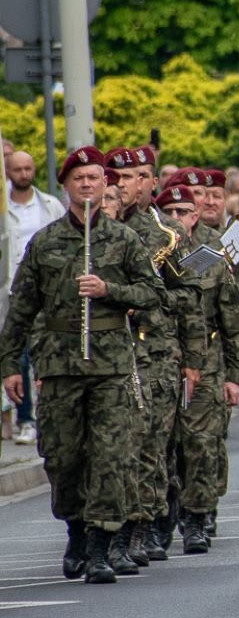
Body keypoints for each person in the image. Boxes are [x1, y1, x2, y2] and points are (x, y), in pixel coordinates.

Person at [0, 146, 162, 583]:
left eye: (94, 177)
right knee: (63, 456)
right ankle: (74, 527)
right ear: (66, 185)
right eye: (79, 179)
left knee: (111, 456)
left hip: (109, 362)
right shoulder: (46, 241)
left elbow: (153, 294)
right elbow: (21, 307)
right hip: (59, 361)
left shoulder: (123, 239)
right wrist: (9, 364)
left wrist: (110, 289)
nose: (87, 185)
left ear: (105, 183)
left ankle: (99, 545)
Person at [109, 147, 208, 565]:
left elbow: (192, 293)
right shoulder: (98, 228)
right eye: (122, 177)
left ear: (151, 182)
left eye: (139, 176)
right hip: (105, 349)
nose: (129, 184)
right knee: (111, 447)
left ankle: (141, 527)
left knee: (151, 445)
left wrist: (193, 360)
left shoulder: (171, 233)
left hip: (156, 351)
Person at [157, 184, 239, 553]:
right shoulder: (152, 252)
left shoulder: (211, 258)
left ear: (195, 216)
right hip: (161, 357)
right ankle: (160, 516)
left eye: (184, 212)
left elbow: (233, 318)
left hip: (207, 360)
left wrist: (235, 375)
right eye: (170, 212)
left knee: (200, 442)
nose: (177, 219)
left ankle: (197, 516)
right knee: (163, 443)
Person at [1, 151, 66, 446]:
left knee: (39, 351)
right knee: (19, 354)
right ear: (8, 171)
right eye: (18, 169)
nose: (24, 174)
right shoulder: (4, 208)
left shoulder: (49, 205)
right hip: (12, 289)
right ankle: (25, 417)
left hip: (46, 289)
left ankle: (38, 413)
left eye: (28, 168)